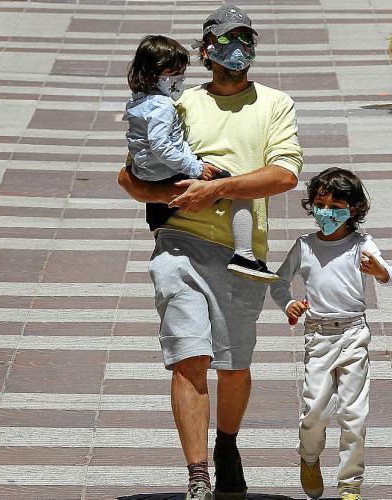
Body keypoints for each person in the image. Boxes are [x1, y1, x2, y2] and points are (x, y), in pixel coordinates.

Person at [118, 5, 303, 499]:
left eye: (246, 39)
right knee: (189, 355)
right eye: (226, 40)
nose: (237, 49)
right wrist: (178, 196)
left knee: (234, 365)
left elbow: (285, 174)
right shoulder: (179, 102)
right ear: (205, 51)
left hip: (242, 254)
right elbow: (129, 177)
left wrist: (218, 189)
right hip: (178, 245)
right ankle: (197, 474)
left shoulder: (275, 104)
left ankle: (227, 445)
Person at [270, 167, 392, 500]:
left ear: (352, 209)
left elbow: (390, 274)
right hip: (319, 336)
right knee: (314, 410)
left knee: (354, 414)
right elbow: (279, 282)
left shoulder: (361, 244)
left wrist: (379, 271)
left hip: (354, 333)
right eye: (319, 205)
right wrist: (289, 304)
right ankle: (309, 457)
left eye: (335, 207)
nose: (326, 213)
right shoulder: (305, 246)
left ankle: (350, 484)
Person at [124, 34, 277, 282]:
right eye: (173, 74)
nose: (179, 80)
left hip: (146, 171)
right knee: (239, 187)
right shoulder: (164, 106)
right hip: (163, 171)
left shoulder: (140, 101)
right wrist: (195, 168)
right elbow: (161, 146)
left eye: (182, 73)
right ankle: (244, 254)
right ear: (154, 75)